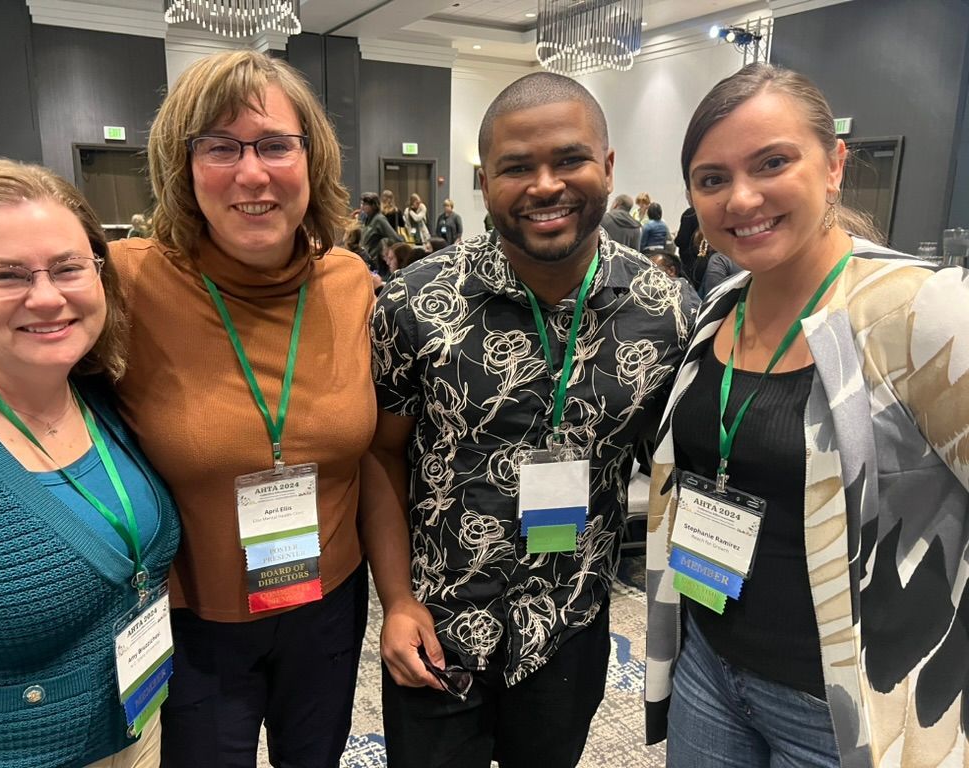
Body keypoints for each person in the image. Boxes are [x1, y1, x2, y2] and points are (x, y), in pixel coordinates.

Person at [364, 71, 697, 768]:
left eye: (570, 160)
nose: (546, 186)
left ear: (608, 167)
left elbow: (674, 468)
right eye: (517, 167)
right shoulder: (414, 303)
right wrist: (395, 600)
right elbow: (381, 455)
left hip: (570, 623)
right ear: (485, 181)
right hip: (439, 625)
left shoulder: (666, 312)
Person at [645, 62, 969, 768]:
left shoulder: (920, 310)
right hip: (711, 666)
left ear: (834, 165)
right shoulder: (722, 307)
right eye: (712, 178)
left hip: (843, 708)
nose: (742, 197)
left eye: (772, 163)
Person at [108, 50, 376, 768]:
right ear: (182, 166)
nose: (252, 174)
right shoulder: (127, 283)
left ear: (311, 159)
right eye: (220, 147)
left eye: (274, 145)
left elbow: (382, 455)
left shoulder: (350, 282)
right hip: (194, 618)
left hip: (328, 604)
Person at [0, 158, 179, 767]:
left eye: (69, 268)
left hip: (137, 726)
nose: (47, 297)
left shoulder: (102, 397)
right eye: (5, 274)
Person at [361, 191, 404, 275]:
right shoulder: (366, 219)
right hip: (368, 260)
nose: (362, 207)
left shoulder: (379, 219)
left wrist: (383, 248)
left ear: (373, 205)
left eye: (365, 204)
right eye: (362, 204)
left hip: (377, 264)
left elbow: (395, 238)